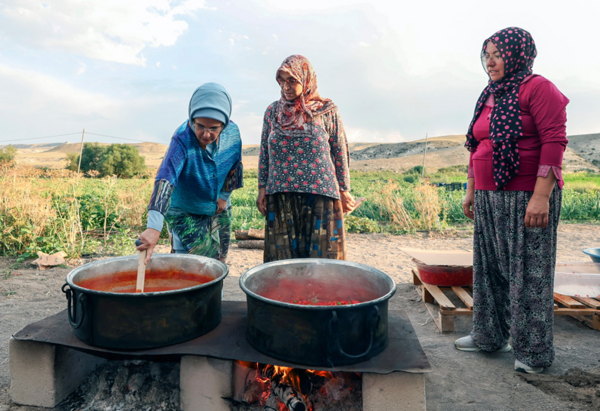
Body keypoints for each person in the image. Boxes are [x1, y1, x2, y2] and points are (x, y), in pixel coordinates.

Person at [455, 27, 569, 374]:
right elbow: (476, 145)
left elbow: (554, 141)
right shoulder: (489, 94)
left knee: (527, 273)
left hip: (525, 195)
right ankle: (489, 335)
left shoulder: (539, 88)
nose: (490, 61)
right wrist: (472, 188)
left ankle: (533, 352)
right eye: (485, 54)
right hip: (489, 195)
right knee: (488, 268)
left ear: (517, 54)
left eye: (497, 53)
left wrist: (540, 197)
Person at [256, 55, 356, 262]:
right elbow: (264, 152)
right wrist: (261, 189)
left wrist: (344, 190)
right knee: (282, 262)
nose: (286, 86)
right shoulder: (273, 112)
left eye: (292, 80)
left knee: (324, 261)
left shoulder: (326, 111)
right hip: (281, 194)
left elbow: (339, 151)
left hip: (321, 194)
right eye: (282, 80)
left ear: (306, 79)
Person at [136, 83, 243, 263]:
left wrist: (224, 196)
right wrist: (154, 227)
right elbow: (166, 179)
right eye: (200, 126)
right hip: (185, 209)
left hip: (219, 206)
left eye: (214, 128)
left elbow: (234, 165)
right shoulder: (182, 138)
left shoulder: (232, 133)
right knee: (193, 263)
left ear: (223, 125)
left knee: (218, 261)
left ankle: (216, 292)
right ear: (192, 119)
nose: (206, 134)